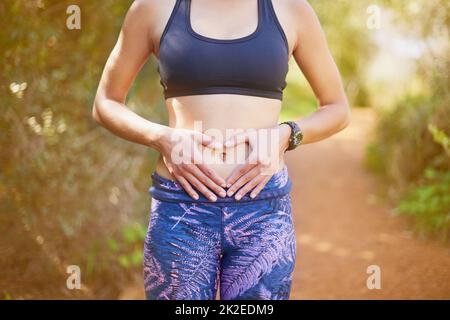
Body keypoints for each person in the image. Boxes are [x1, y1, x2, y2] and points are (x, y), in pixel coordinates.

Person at [92, 0, 350, 300]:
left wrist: (286, 135)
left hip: (263, 208)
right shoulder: (153, 7)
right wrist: (162, 138)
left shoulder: (291, 9)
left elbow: (337, 108)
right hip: (180, 206)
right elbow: (106, 102)